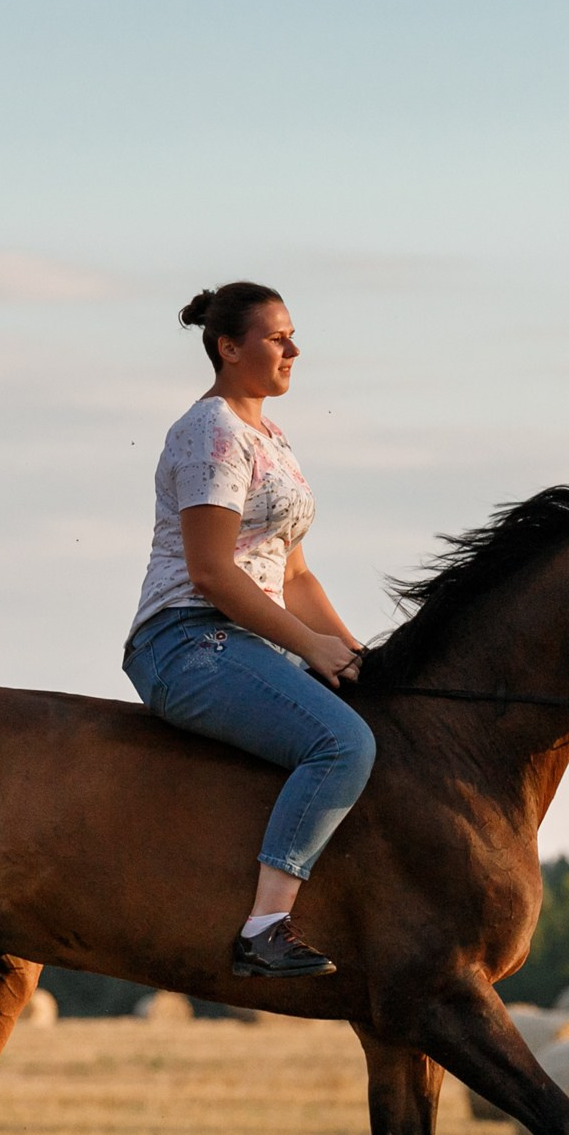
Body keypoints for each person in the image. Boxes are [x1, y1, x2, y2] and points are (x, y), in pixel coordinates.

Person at [123, 282, 375, 978]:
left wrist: (356, 654)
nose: (294, 348)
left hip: (255, 638)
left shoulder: (272, 437)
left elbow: (295, 577)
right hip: (187, 639)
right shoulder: (212, 433)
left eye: (292, 334)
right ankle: (264, 928)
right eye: (276, 336)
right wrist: (309, 645)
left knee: (373, 708)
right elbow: (211, 573)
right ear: (229, 347)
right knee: (342, 742)